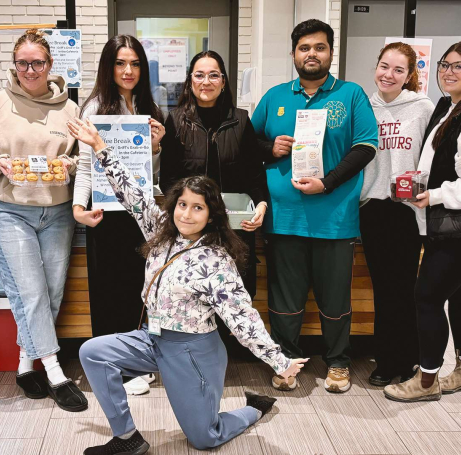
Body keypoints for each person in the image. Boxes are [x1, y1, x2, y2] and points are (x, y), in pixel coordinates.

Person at [68, 117, 308, 454]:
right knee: (92, 352)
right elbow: (131, 191)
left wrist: (278, 361)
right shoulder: (161, 229)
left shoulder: (216, 260)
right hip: (153, 338)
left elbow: (243, 318)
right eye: (182, 204)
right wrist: (98, 146)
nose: (186, 214)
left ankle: (254, 407)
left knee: (204, 438)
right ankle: (127, 438)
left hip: (193, 352)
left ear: (212, 215)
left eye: (198, 208)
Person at [0, 29, 87, 412]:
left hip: (57, 211)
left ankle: (23, 364)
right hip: (6, 208)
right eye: (23, 63)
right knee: (29, 292)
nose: (30, 70)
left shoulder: (69, 109)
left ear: (50, 65)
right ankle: (54, 372)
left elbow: (83, 159)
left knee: (49, 293)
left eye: (38, 63)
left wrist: (66, 165)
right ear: (14, 65)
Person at [251, 19, 378, 393]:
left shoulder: (351, 95)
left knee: (334, 296)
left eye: (319, 47)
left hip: (334, 217)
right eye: (304, 48)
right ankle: (286, 359)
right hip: (284, 216)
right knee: (284, 298)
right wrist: (269, 148)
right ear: (293, 53)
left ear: (331, 53)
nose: (312, 54)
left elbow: (365, 146)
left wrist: (327, 183)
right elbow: (248, 143)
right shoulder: (275, 96)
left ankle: (338, 361)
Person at [383, 40, 461, 402]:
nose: (448, 72)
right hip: (456, 223)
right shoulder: (452, 106)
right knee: (460, 295)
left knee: (426, 297)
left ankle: (425, 382)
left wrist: (436, 195)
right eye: (445, 64)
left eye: (459, 67)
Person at [72, 35, 165, 396]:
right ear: (108, 67)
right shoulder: (95, 106)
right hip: (107, 212)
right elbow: (85, 164)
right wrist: (79, 208)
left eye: (135, 64)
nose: (128, 71)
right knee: (109, 288)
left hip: (140, 214)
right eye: (120, 63)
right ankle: (114, 370)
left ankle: (136, 361)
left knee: (137, 289)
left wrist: (156, 147)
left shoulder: (146, 107)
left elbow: (150, 174)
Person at [159, 50, 267, 300]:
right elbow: (168, 180)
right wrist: (187, 210)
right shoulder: (175, 121)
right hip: (191, 231)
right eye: (199, 75)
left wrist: (261, 204)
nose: (206, 81)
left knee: (235, 298)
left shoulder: (240, 120)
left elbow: (254, 173)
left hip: (235, 230)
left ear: (223, 81)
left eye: (213, 75)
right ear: (190, 81)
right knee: (195, 299)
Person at [359, 42, 434, 386]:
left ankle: (403, 360)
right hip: (372, 207)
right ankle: (388, 357)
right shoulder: (363, 106)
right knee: (381, 287)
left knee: (403, 287)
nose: (388, 75)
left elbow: (430, 159)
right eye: (384, 66)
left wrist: (424, 192)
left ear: (409, 76)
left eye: (398, 70)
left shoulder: (422, 108)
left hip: (406, 209)